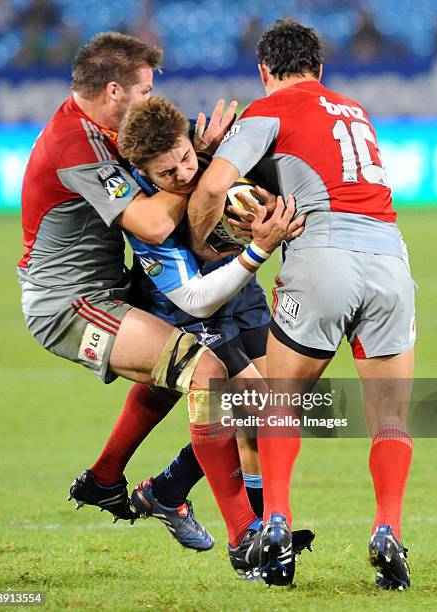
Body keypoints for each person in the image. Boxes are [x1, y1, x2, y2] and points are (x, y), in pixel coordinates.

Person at [17, 31, 302, 578]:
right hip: (68, 303)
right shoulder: (75, 143)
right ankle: (245, 537)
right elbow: (149, 222)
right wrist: (198, 167)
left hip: (112, 288)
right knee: (206, 375)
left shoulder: (113, 131)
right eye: (145, 90)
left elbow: (161, 161)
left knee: (174, 374)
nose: (150, 100)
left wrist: (196, 157)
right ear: (114, 90)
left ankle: (106, 479)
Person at [187, 18, 416, 590]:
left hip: (322, 255)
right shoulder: (354, 110)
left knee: (281, 400)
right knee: (390, 418)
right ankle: (387, 528)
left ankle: (278, 523)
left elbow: (215, 186)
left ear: (264, 71)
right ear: (321, 68)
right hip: (390, 257)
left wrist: (200, 238)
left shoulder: (269, 110)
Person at [116, 95, 311, 578]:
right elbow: (195, 299)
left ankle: (168, 490)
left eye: (186, 158)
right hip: (194, 309)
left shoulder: (206, 154)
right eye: (168, 173)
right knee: (263, 410)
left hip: (241, 292)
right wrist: (259, 251)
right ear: (144, 173)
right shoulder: (143, 217)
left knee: (265, 414)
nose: (184, 174)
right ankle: (257, 544)